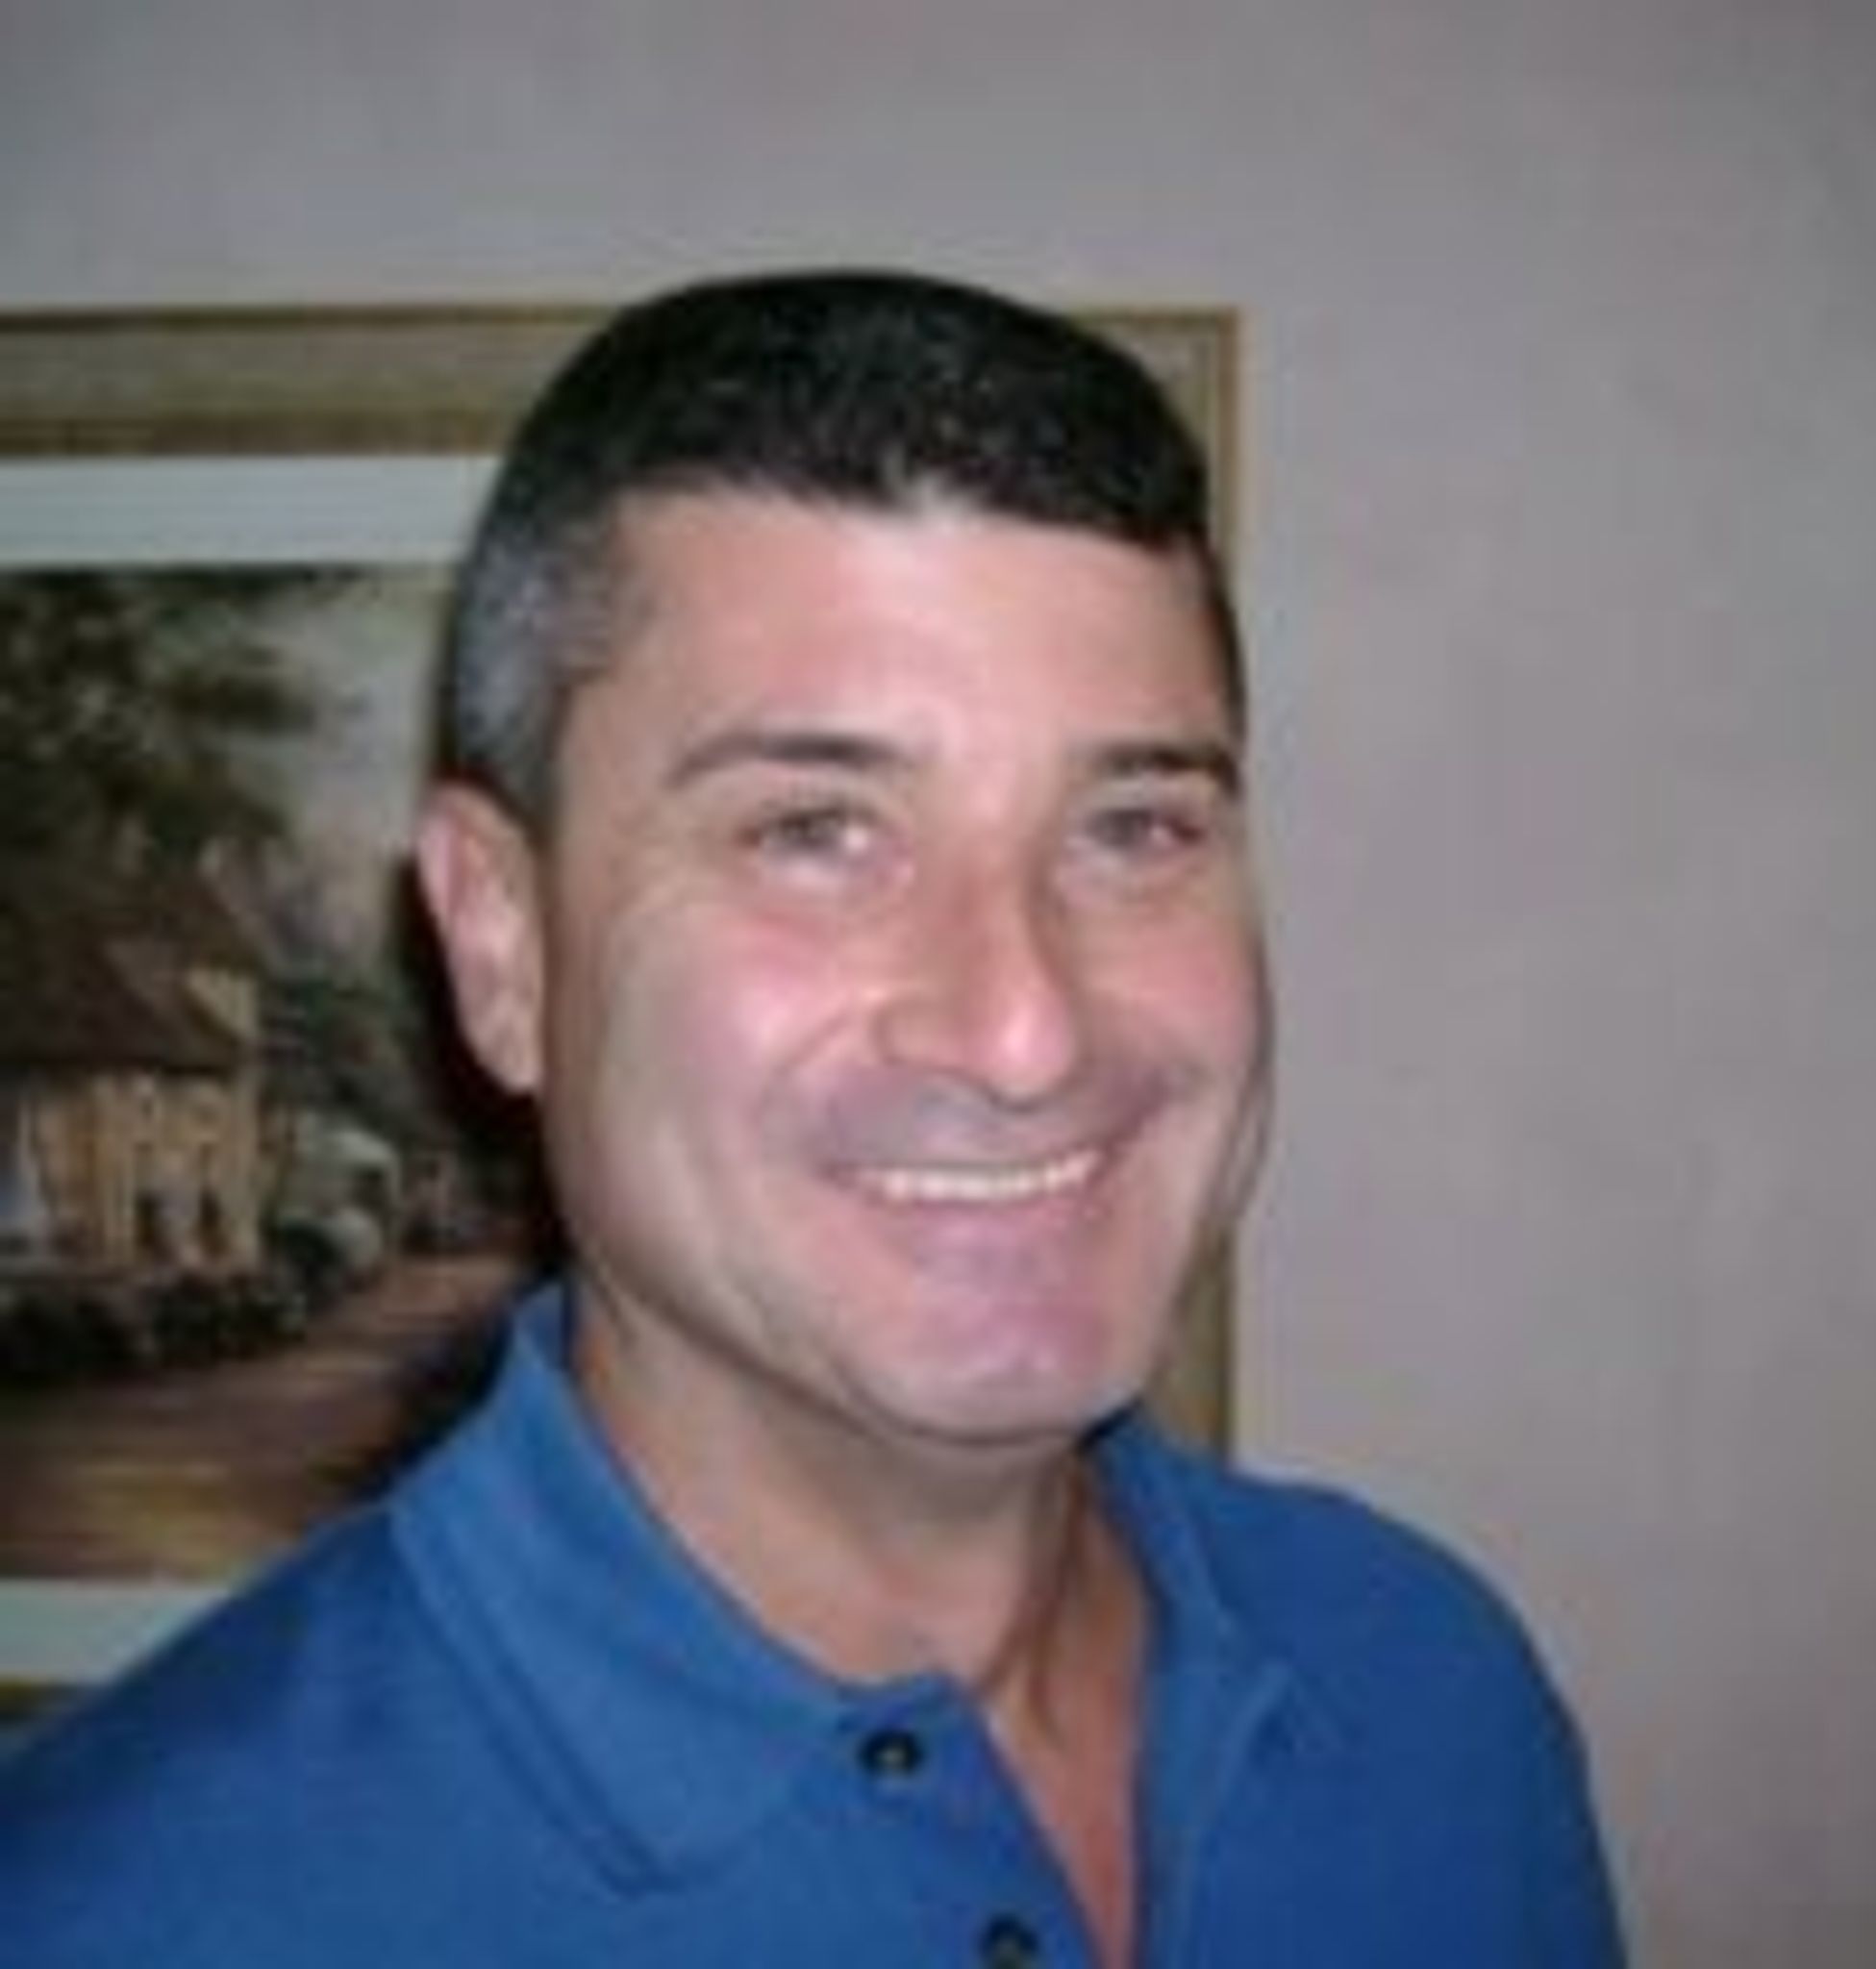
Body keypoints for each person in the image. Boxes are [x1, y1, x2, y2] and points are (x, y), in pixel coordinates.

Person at [0, 270, 1624, 1966]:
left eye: (1135, 827)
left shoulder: (1437, 1694)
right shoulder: (106, 1918)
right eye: (815, 833)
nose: (1024, 1032)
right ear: (502, 947)